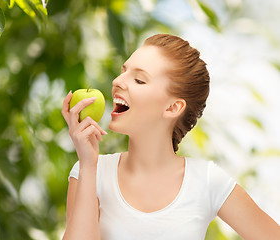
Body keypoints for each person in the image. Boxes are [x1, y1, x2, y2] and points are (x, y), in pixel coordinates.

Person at [61, 34, 280, 240]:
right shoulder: (89, 172)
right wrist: (89, 164)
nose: (117, 81)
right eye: (123, 70)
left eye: (139, 80)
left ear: (173, 107)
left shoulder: (207, 182)